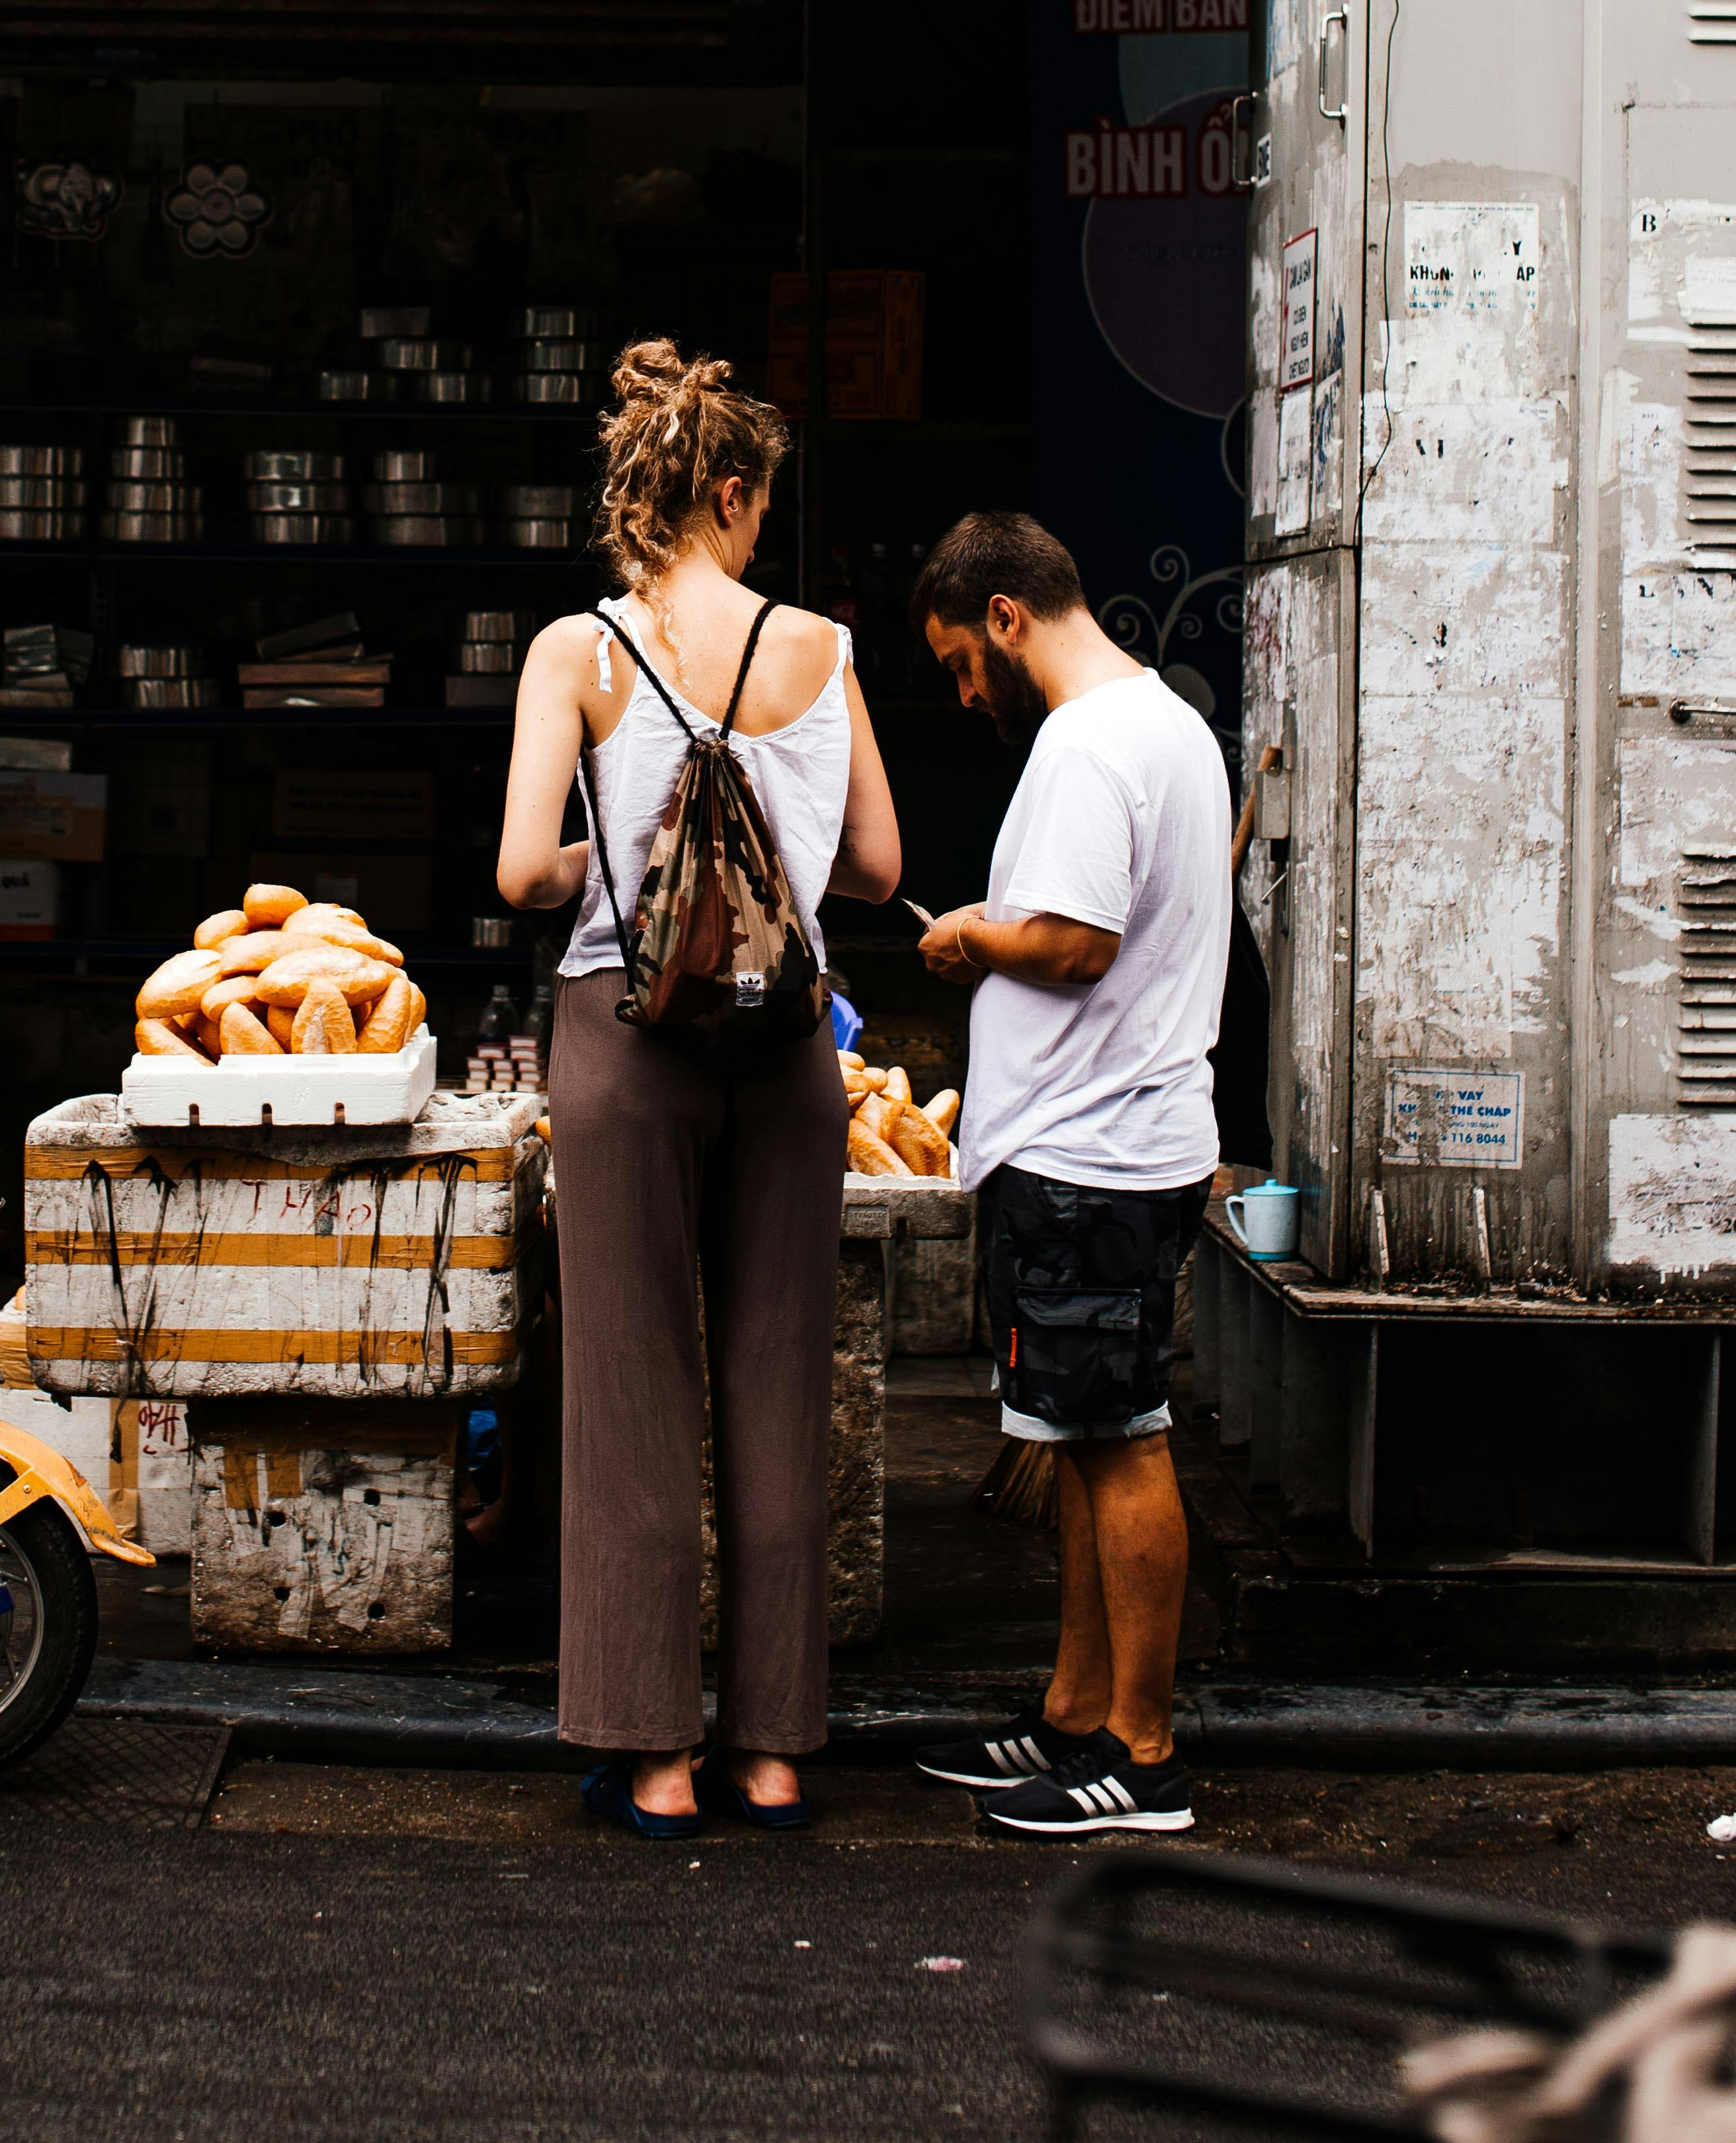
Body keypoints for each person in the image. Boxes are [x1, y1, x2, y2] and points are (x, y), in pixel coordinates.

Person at [497, 339, 902, 1836]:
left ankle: (652, 1753)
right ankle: (774, 1747)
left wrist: (614, 858)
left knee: (629, 1382)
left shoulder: (577, 652)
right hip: (785, 1041)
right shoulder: (823, 647)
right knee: (779, 1376)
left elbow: (519, 867)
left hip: (624, 1034)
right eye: (756, 506)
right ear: (729, 492)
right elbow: (873, 867)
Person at [905, 511, 1229, 1840]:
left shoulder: (1091, 743)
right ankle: (1073, 1714)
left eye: (956, 662)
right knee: (1083, 1441)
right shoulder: (1163, 727)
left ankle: (1139, 1755)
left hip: (1093, 1152)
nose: (963, 692)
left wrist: (972, 935)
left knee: (1119, 1439)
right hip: (1111, 1142)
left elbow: (1078, 940)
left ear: (1000, 615)